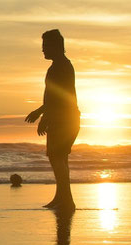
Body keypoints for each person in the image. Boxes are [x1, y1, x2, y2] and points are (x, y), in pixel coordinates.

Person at [25, 29, 80, 212]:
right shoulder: (59, 66)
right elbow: (51, 96)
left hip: (65, 119)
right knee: (59, 158)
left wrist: (41, 114)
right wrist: (43, 114)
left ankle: (67, 200)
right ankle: (62, 197)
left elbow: (57, 97)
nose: (43, 50)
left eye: (45, 46)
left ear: (56, 46)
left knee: (57, 158)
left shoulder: (61, 67)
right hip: (63, 118)